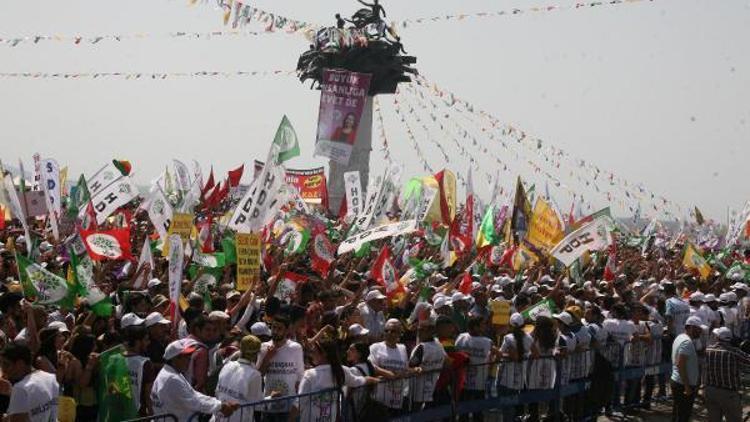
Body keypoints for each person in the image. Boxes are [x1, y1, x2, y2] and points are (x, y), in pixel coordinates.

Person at [151, 338, 239, 420]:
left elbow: (194, 394)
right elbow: (195, 402)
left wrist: (219, 403)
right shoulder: (172, 379)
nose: (189, 359)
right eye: (185, 356)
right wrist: (221, 406)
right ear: (175, 359)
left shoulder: (172, 373)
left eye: (189, 356)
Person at [295, 338, 377, 422]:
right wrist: (372, 380)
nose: (311, 355)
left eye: (314, 351)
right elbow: (357, 381)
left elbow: (299, 403)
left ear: (324, 354)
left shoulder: (309, 374)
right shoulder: (342, 370)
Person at [256, 313, 305, 421]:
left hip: (289, 406)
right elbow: (259, 375)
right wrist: (268, 358)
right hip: (269, 405)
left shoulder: (295, 348)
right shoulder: (264, 347)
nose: (275, 331)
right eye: (274, 327)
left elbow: (300, 376)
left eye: (279, 328)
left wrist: (298, 402)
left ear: (287, 330)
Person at [0, 343, 59, 422]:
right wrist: (11, 392)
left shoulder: (20, 388)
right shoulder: (51, 378)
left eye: (6, 364)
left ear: (20, 364)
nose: (3, 369)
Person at [703, 327, 750, 422]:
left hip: (711, 391)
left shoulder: (708, 350)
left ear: (717, 337)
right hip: (729, 394)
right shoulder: (734, 352)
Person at [214, 335, 264, 422]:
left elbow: (217, 392)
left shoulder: (227, 365)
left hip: (218, 417)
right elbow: (256, 405)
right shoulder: (255, 375)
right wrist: (271, 398)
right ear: (256, 354)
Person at [670, 316, 703, 422]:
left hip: (679, 382)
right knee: (683, 416)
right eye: (699, 329)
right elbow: (680, 364)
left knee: (678, 414)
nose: (701, 332)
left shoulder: (680, 337)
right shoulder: (687, 342)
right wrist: (687, 387)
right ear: (691, 328)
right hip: (682, 384)